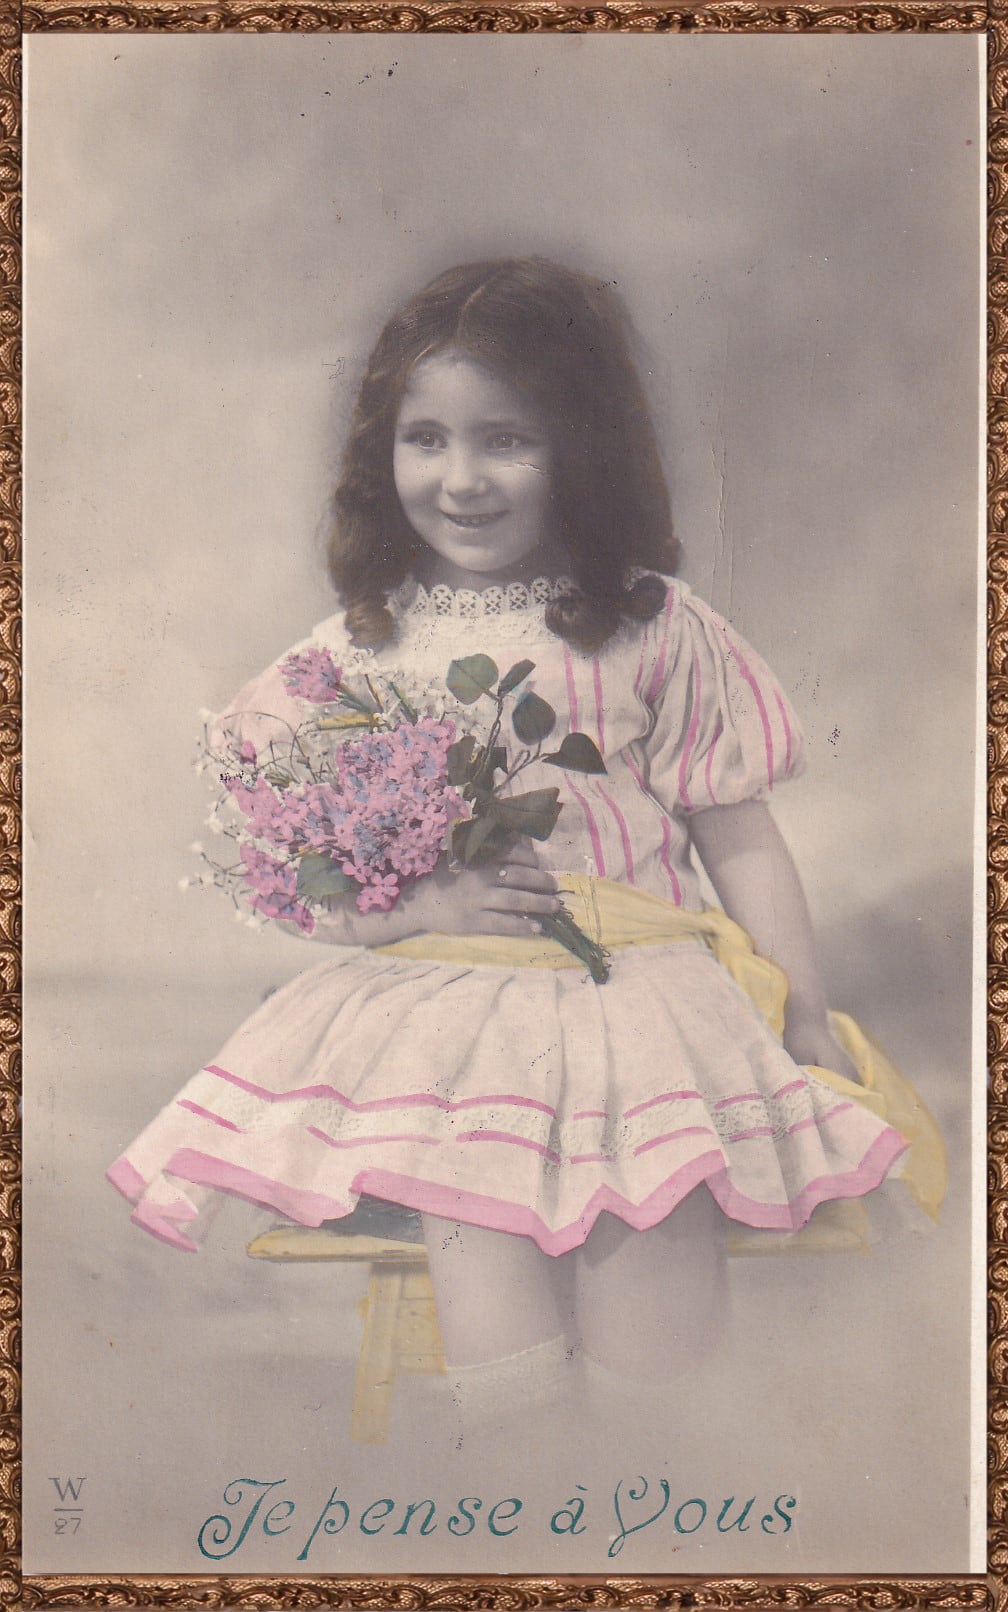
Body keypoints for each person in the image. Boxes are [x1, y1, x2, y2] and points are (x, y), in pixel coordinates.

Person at [108, 257, 927, 1432]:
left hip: (639, 1004)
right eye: (426, 439)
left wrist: (804, 1017)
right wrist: (413, 913)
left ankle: (655, 1479)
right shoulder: (352, 654)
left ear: (577, 448)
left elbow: (741, 839)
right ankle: (527, 1483)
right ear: (383, 453)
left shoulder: (648, 625)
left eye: (506, 440)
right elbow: (293, 867)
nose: (462, 479)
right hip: (449, 1029)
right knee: (484, 1260)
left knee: (651, 1269)